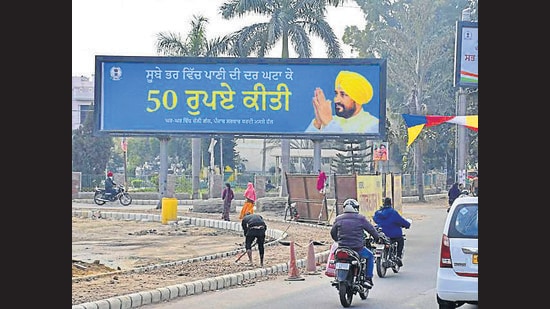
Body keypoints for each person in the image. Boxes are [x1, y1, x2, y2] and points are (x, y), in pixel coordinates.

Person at [305, 70, 379, 133]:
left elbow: (345, 145)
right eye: (336, 94)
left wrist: (329, 122)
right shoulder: (332, 120)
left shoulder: (373, 124)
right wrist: (318, 122)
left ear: (357, 99)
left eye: (343, 94)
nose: (336, 100)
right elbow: (302, 146)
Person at [330, 198, 381, 288]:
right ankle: (368, 278)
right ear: (356, 208)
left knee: (336, 258)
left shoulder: (338, 218)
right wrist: (377, 238)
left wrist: (337, 240)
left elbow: (333, 232)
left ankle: (337, 277)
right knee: (370, 256)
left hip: (342, 247)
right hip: (357, 249)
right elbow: (371, 230)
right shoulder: (361, 218)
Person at [372, 197, 411, 267]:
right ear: (391, 203)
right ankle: (398, 256)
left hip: (382, 235)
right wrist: (407, 225)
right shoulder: (393, 213)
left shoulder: (378, 213)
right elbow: (401, 221)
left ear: (383, 204)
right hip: (393, 235)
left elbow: (375, 219)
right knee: (401, 240)